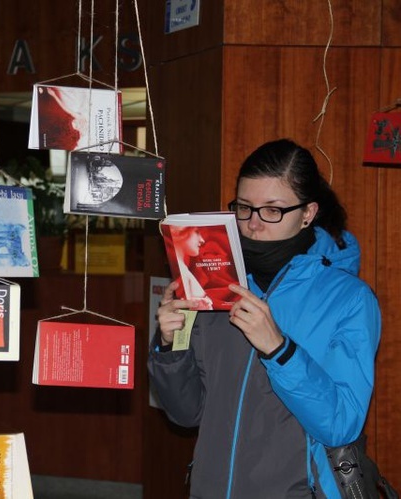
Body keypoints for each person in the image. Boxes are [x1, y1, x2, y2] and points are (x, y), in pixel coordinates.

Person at [148, 138, 381, 498]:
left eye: (272, 210)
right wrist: (169, 345)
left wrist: (279, 350)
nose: (254, 224)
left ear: (307, 213)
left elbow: (341, 425)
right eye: (244, 208)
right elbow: (186, 414)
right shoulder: (215, 281)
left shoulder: (349, 299)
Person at [168, 226, 213, 310]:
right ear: (180, 231)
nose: (202, 240)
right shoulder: (182, 274)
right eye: (196, 232)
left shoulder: (183, 271)